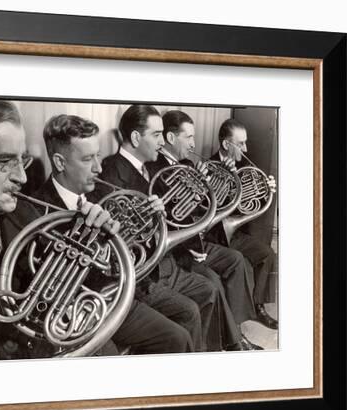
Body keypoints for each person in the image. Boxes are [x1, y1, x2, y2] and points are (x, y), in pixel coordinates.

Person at [0, 98, 192, 359]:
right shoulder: (32, 214)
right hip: (50, 333)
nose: (21, 177)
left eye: (24, 161)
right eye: (5, 161)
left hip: (97, 301)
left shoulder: (93, 196)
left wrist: (112, 237)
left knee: (178, 335)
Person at [32, 113, 201, 354]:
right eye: (88, 159)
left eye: (98, 156)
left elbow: (130, 251)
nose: (98, 168)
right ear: (60, 163)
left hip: (116, 297)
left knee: (178, 338)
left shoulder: (101, 191)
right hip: (77, 313)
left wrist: (152, 218)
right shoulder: (37, 208)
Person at [95, 105, 245, 351]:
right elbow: (120, 238)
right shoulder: (112, 172)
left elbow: (177, 214)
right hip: (143, 275)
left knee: (208, 290)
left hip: (165, 263)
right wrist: (151, 217)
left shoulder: (146, 169)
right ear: (135, 138)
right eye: (156, 135)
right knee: (192, 308)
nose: (161, 141)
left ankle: (204, 352)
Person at [147, 109, 260, 349]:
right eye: (188, 137)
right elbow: (169, 216)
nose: (194, 143)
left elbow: (207, 208)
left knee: (236, 259)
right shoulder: (155, 168)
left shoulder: (188, 163)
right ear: (170, 138)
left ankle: (237, 332)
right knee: (212, 282)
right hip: (180, 249)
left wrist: (222, 181)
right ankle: (227, 344)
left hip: (198, 240)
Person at [206, 118, 278, 330]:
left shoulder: (245, 167)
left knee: (267, 255)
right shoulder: (208, 167)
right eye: (241, 143)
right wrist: (223, 185)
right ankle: (234, 328)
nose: (246, 148)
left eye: (245, 143)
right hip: (213, 236)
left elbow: (251, 204)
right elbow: (204, 209)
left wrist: (267, 190)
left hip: (233, 233)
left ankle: (258, 307)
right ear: (227, 145)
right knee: (240, 263)